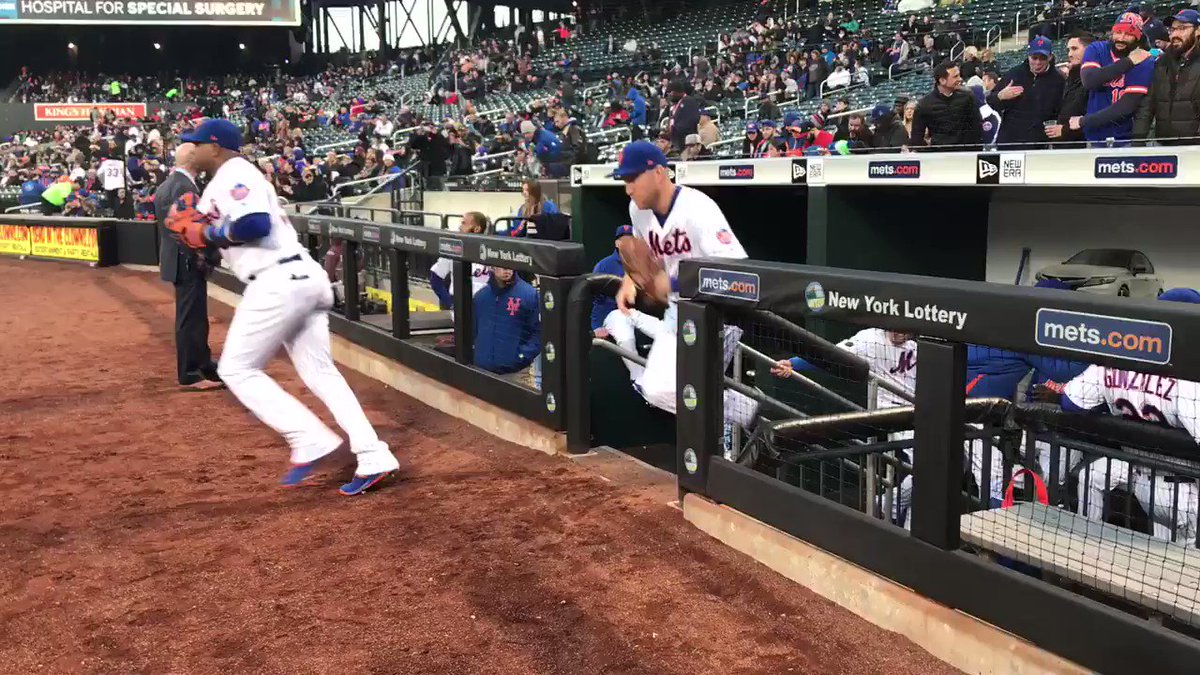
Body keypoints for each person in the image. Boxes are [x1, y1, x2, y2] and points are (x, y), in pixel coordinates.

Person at [162, 119, 399, 496]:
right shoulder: (219, 183)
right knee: (321, 373)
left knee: (237, 369)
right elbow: (207, 235)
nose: (190, 149)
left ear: (216, 146)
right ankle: (374, 454)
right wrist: (195, 233)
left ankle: (309, 438)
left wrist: (206, 232)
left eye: (196, 144)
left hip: (278, 281)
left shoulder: (235, 173)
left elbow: (254, 223)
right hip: (299, 278)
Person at [609, 140, 758, 429]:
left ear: (659, 173)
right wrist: (631, 280)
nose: (628, 189)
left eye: (632, 179)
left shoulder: (699, 208)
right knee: (655, 389)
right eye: (624, 180)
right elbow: (645, 253)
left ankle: (748, 423)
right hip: (678, 310)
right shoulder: (636, 210)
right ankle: (747, 413)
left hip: (717, 313)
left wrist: (674, 281)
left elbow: (739, 271)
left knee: (689, 390)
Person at [1058, 288, 1200, 543]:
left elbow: (1070, 403)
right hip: (1184, 494)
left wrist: (1111, 408)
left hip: (1141, 481)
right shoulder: (1189, 375)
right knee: (1182, 574)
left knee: (1158, 563)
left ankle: (1085, 555)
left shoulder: (1119, 355)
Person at [154, 142, 221, 391]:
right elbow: (185, 230)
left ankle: (202, 364)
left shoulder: (168, 184)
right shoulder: (182, 186)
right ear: (193, 158)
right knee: (190, 318)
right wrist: (205, 256)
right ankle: (191, 372)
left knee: (194, 317)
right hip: (187, 260)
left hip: (178, 259)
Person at [1073, 12, 1155, 146]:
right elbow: (1089, 81)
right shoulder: (1097, 49)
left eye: (1129, 33)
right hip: (1094, 137)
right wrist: (1128, 62)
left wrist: (1084, 121)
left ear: (1138, 36)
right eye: (1118, 31)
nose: (1121, 38)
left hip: (1125, 138)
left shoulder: (1145, 60)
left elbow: (1126, 106)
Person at [1134, 9, 1200, 145]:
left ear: (1198, 31)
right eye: (1172, 29)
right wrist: (1138, 139)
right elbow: (1147, 105)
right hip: (1164, 144)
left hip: (1195, 147)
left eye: (1182, 28)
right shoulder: (1162, 62)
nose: (1175, 34)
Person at [987, 36, 1065, 149]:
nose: (1037, 62)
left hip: (1037, 142)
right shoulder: (1014, 74)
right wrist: (1000, 96)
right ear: (1028, 56)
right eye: (1034, 57)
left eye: (1042, 58)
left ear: (1050, 57)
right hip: (1009, 140)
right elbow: (991, 102)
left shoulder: (1058, 79)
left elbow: (1061, 110)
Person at [472, 267, 541, 375]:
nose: (507, 270)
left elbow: (540, 332)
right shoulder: (481, 296)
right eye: (502, 266)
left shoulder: (529, 295)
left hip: (515, 372)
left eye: (510, 266)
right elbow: (473, 329)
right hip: (481, 370)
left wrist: (521, 356)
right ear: (492, 267)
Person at [909, 60, 983, 151]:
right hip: (938, 156)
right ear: (942, 80)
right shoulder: (924, 104)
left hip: (965, 155)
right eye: (955, 76)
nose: (960, 79)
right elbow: (916, 136)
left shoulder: (967, 97)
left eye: (959, 75)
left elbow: (977, 127)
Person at [429, 211, 492, 309]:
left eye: (463, 223)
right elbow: (435, 278)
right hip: (459, 302)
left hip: (485, 305)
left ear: (477, 229)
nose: (459, 227)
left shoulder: (490, 250)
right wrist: (450, 303)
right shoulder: (453, 248)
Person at [1047, 31, 1094, 146]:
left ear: (1089, 50)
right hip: (1063, 145)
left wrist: (1065, 130)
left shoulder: (1095, 79)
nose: (1069, 54)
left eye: (1074, 49)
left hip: (1084, 147)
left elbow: (1094, 116)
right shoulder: (1070, 78)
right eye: (1068, 50)